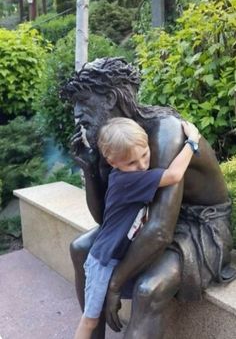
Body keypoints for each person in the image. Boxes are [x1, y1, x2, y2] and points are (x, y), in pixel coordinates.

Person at [61, 57, 236, 339]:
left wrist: (115, 284)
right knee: (80, 248)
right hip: (149, 217)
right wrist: (92, 169)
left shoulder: (165, 132)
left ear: (110, 98)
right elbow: (108, 220)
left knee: (148, 289)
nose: (77, 114)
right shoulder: (116, 142)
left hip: (198, 226)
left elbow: (159, 232)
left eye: (84, 101)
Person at [74, 117, 200, 339]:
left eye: (145, 154)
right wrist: (192, 141)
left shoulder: (130, 175)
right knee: (90, 319)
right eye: (132, 163)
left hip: (112, 255)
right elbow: (174, 175)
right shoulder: (129, 181)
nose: (142, 165)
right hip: (103, 261)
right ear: (113, 162)